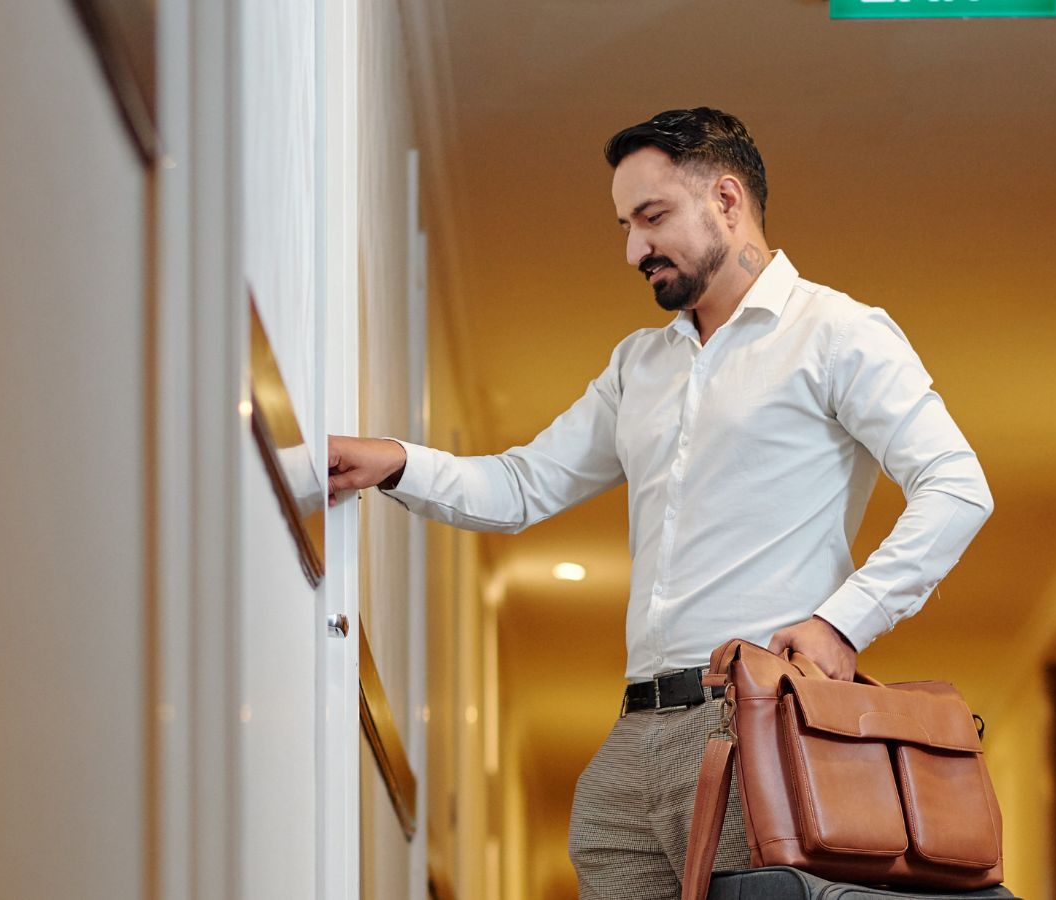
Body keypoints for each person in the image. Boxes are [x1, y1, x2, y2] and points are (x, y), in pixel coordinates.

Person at [326, 107, 993, 900]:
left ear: (726, 199)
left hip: (761, 723)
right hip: (633, 737)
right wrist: (395, 461)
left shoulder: (836, 333)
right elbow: (521, 484)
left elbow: (956, 486)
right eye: (625, 225)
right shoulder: (639, 365)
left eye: (652, 218)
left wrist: (844, 622)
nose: (634, 250)